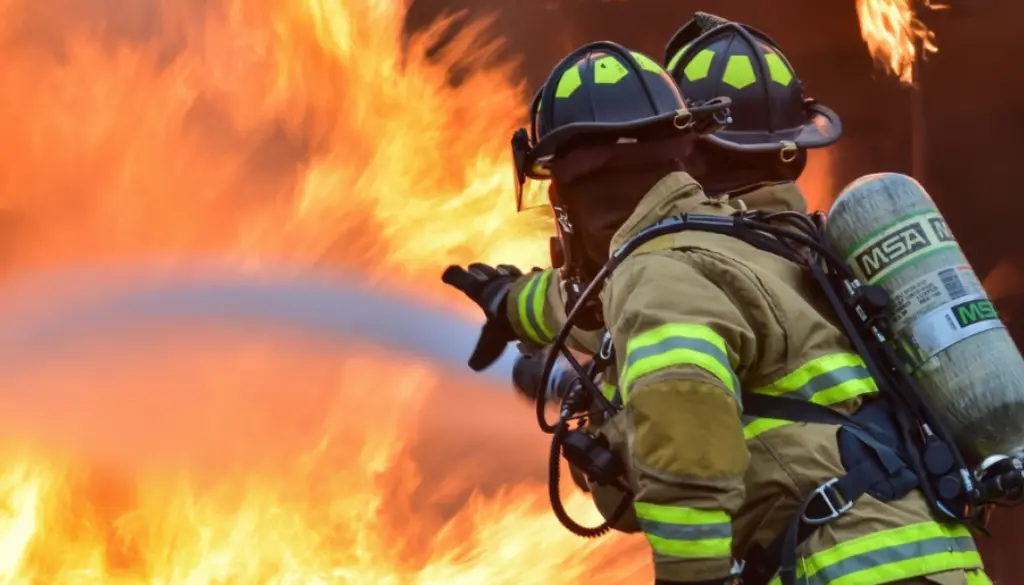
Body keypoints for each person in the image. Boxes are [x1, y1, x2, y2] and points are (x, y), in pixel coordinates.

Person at [444, 22, 992, 585]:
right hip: (937, 561)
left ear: (576, 192)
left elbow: (684, 442)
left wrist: (692, 575)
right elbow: (591, 303)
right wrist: (511, 303)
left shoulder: (660, 272)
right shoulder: (762, 246)